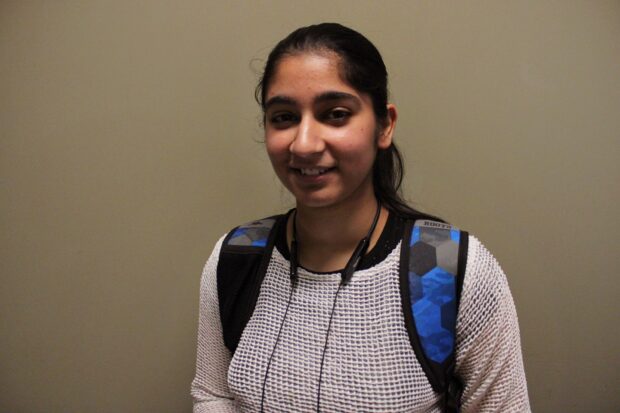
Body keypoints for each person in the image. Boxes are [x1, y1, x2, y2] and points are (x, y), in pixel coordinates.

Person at [191, 23, 530, 413]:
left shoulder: (448, 271)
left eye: (335, 114)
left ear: (385, 125)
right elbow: (213, 394)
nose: (304, 144)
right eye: (283, 117)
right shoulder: (236, 256)